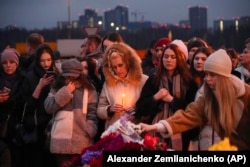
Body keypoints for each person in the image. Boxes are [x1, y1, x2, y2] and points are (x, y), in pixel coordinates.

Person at [139, 49, 250, 150]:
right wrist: (154, 127)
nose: (208, 79)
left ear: (223, 76)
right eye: (206, 74)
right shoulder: (208, 98)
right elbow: (188, 116)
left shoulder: (246, 96)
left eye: (212, 75)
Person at [135, 43, 197, 150]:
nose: (169, 60)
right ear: (162, 59)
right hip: (155, 131)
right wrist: (155, 98)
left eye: (173, 57)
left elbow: (191, 109)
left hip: (181, 131)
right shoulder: (154, 80)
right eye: (166, 57)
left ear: (179, 59)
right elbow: (140, 108)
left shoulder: (188, 81)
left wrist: (172, 100)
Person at [44, 59, 98, 167]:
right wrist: (65, 92)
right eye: (67, 76)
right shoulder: (57, 87)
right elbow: (48, 107)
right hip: (60, 140)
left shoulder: (89, 88)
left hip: (82, 138)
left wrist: (90, 128)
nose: (70, 79)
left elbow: (92, 111)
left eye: (73, 76)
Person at [20, 44, 59, 167]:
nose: (46, 64)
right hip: (38, 127)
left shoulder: (57, 76)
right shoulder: (30, 77)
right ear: (37, 61)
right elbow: (26, 107)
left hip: (54, 125)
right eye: (42, 60)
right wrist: (39, 87)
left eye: (48, 60)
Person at [97, 43, 148, 130]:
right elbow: (100, 109)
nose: (118, 70)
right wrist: (109, 109)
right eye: (114, 67)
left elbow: (150, 107)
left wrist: (137, 111)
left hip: (137, 130)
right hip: (114, 132)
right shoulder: (109, 84)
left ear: (128, 62)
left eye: (120, 65)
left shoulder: (143, 80)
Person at [0, 48, 24, 167]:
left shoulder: (23, 79)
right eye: (4, 63)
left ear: (17, 63)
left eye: (11, 62)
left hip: (18, 125)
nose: (8, 65)